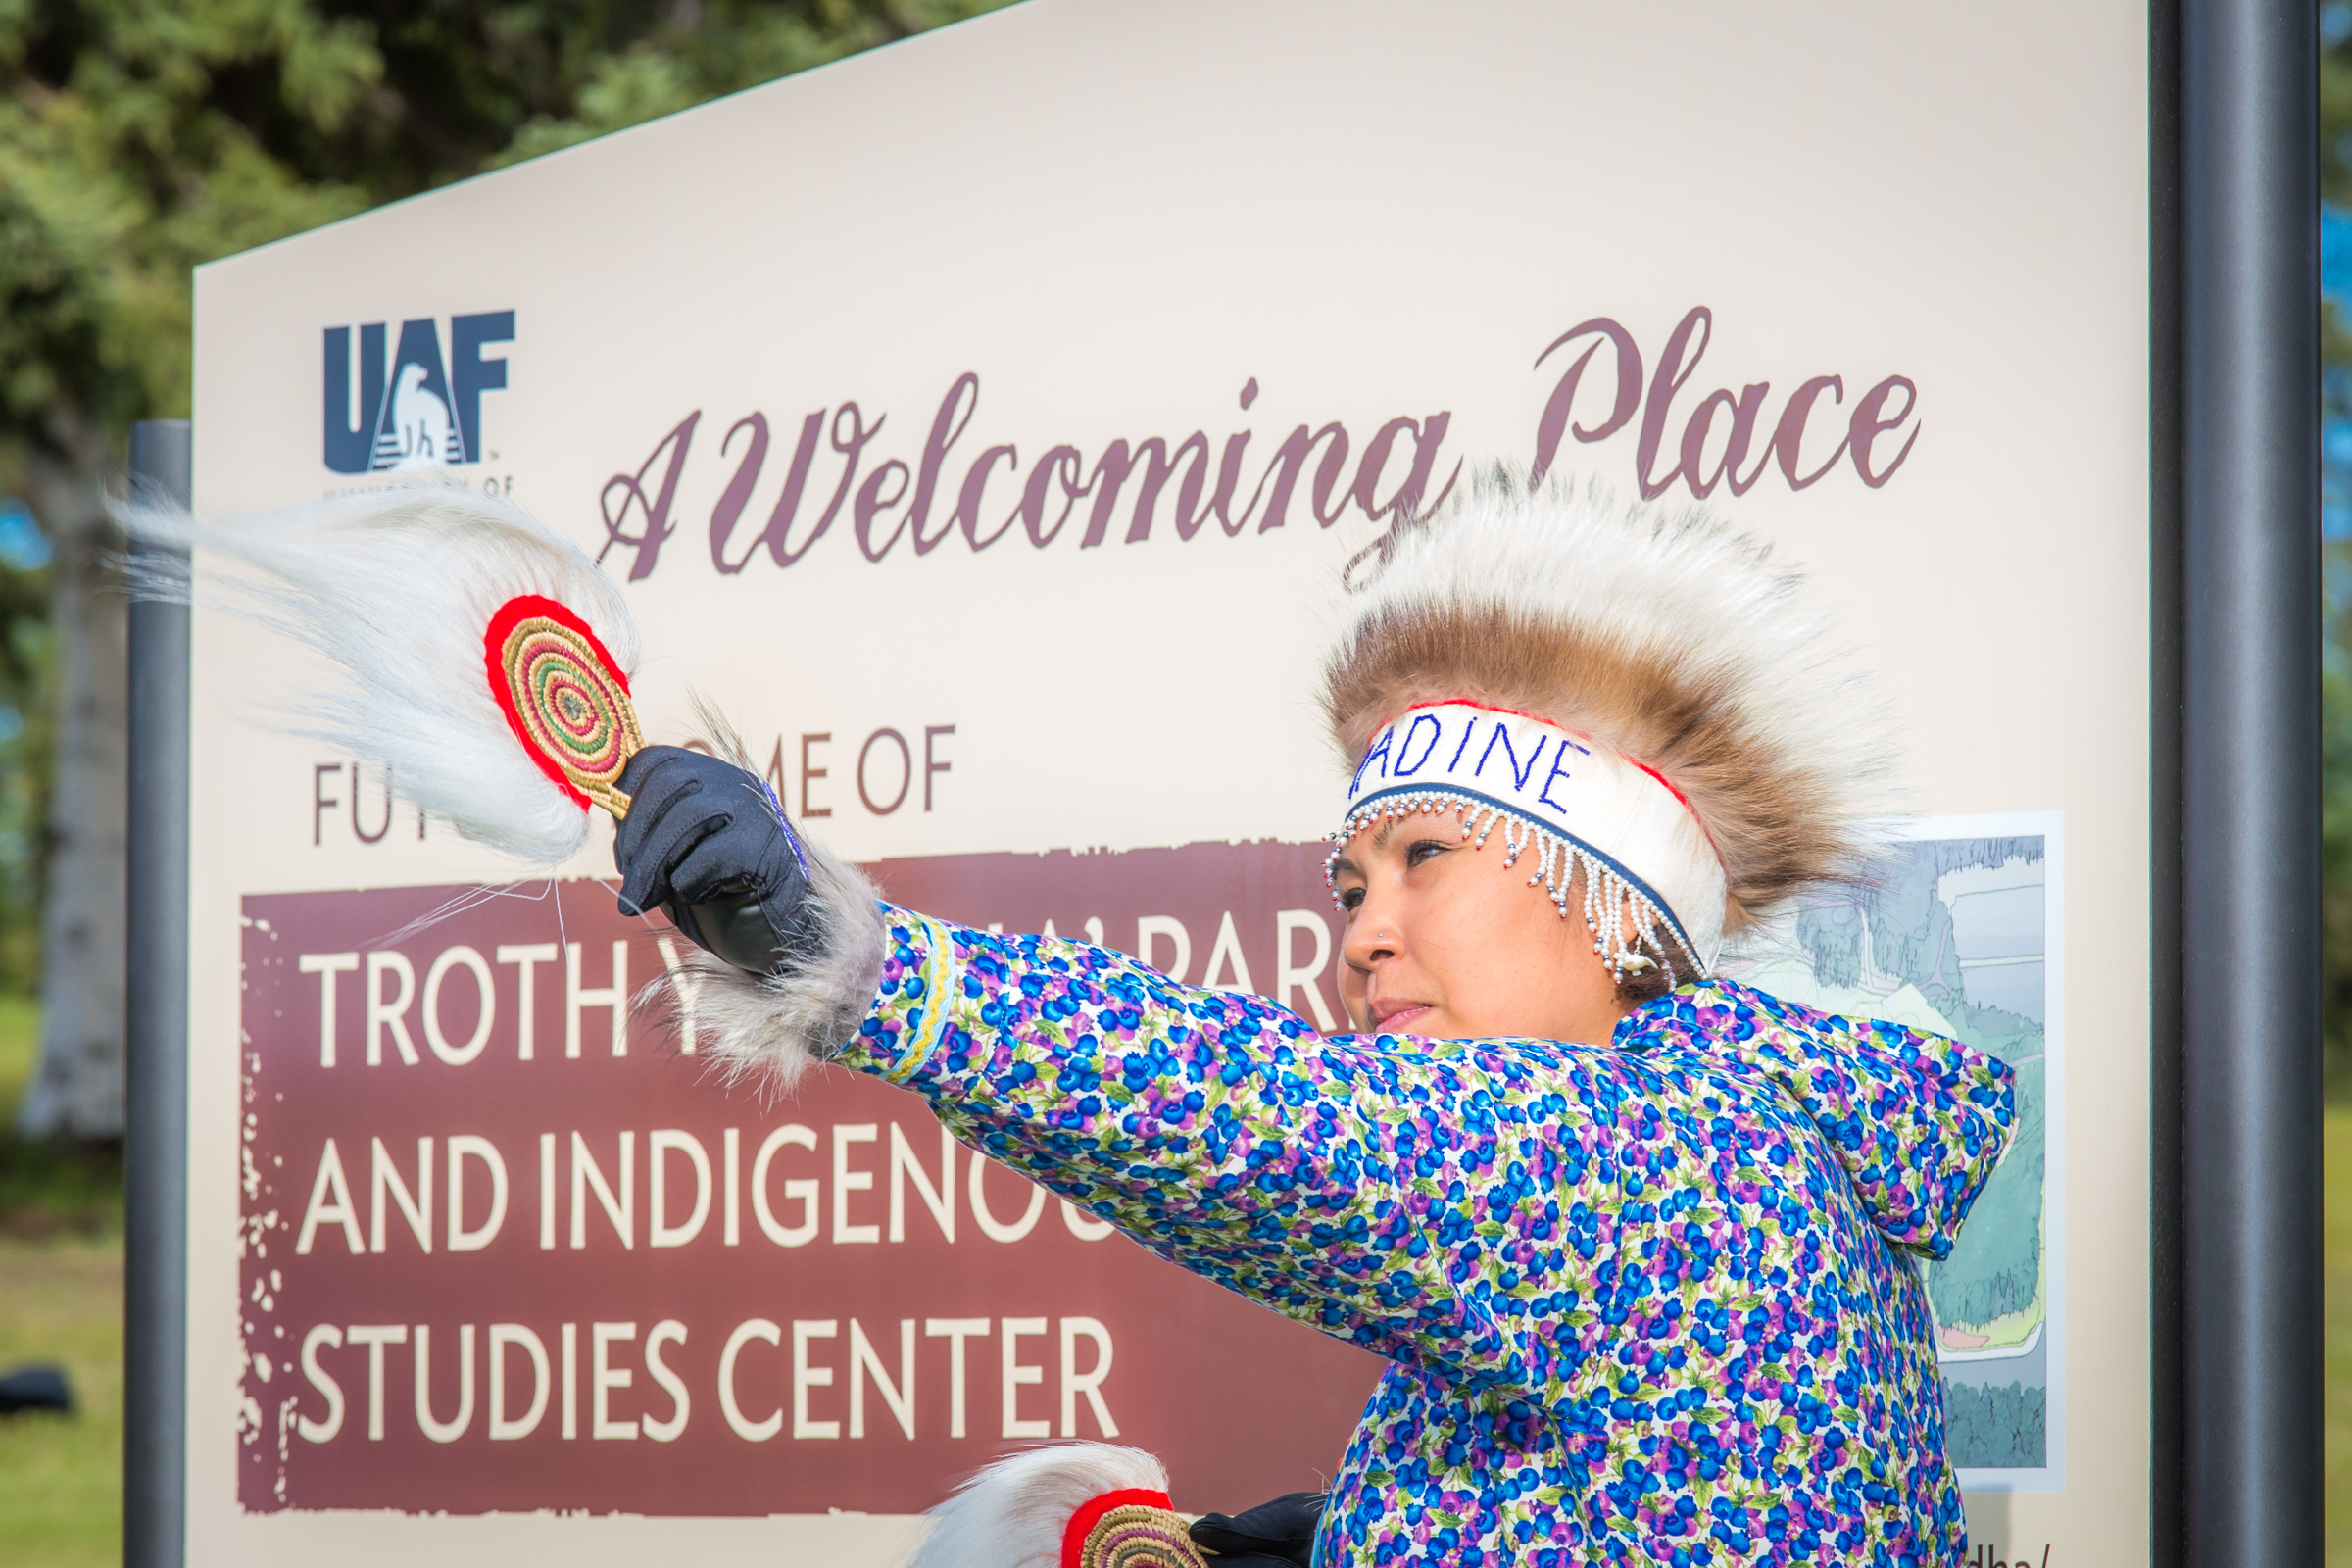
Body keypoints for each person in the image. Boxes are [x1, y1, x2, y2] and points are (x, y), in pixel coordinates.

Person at [612, 470, 2018, 1567]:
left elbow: (1260, 1117)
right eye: (1348, 885)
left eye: (1428, 859)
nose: (1364, 934)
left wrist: (849, 957)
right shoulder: (1762, 1142)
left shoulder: (1655, 1164)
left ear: (1615, 902)